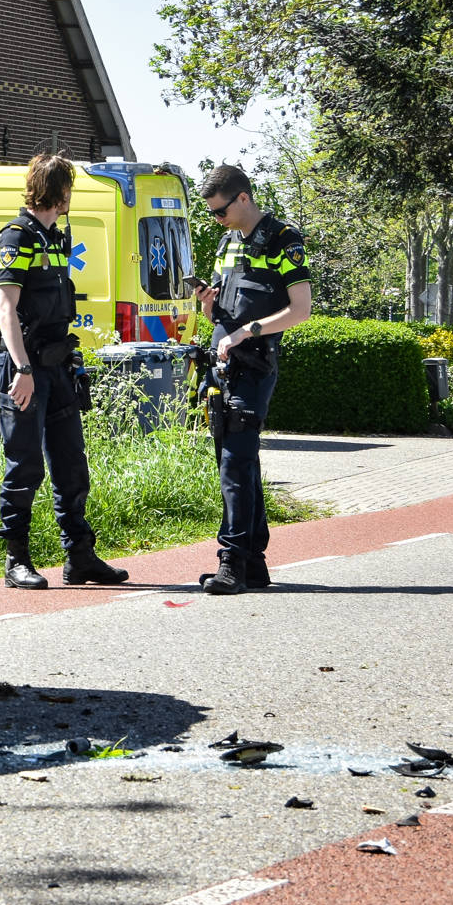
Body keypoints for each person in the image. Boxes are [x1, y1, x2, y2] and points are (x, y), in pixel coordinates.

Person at [0, 154, 128, 589]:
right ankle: (17, 561)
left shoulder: (55, 238)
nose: (71, 195)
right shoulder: (16, 237)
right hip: (26, 368)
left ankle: (80, 558)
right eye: (69, 187)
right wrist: (23, 368)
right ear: (58, 190)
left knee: (71, 465)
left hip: (58, 367)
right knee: (25, 465)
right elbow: (5, 309)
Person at [191, 165, 312, 594]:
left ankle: (232, 559)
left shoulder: (283, 240)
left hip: (255, 362)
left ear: (243, 198)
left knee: (236, 461)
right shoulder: (228, 242)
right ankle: (253, 563)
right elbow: (222, 311)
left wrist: (248, 331)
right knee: (236, 459)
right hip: (223, 365)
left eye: (220, 212)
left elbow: (301, 310)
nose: (217, 220)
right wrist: (209, 304)